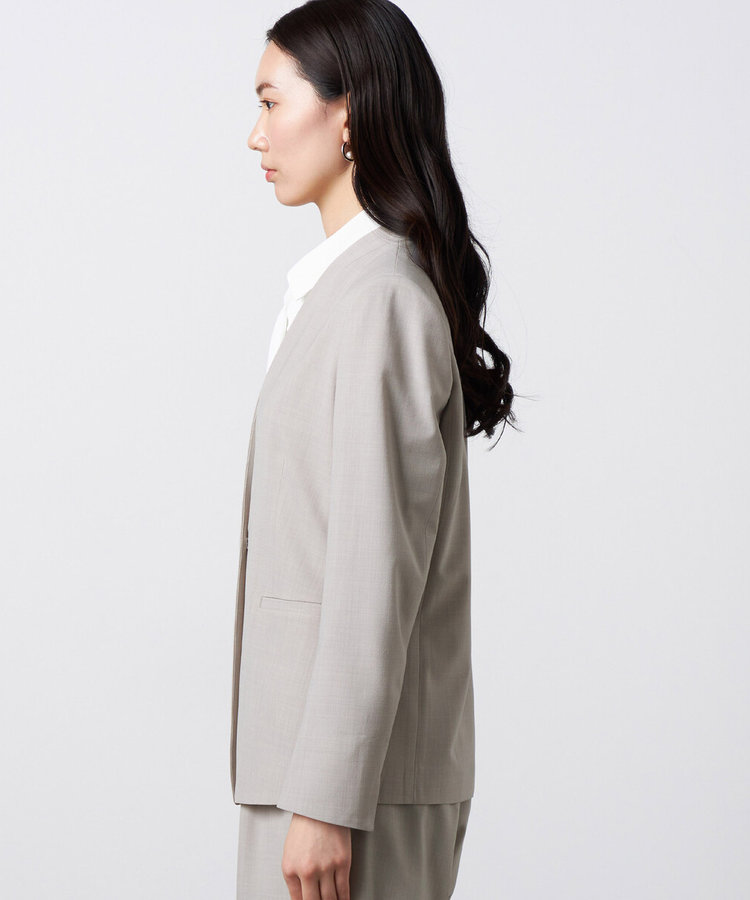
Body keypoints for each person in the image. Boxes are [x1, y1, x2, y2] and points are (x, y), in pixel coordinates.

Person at [230, 1, 516, 897]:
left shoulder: (381, 299)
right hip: (317, 776)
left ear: (346, 112)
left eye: (271, 102)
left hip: (349, 790)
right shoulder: (342, 290)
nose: (256, 134)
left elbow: (372, 566)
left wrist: (325, 799)